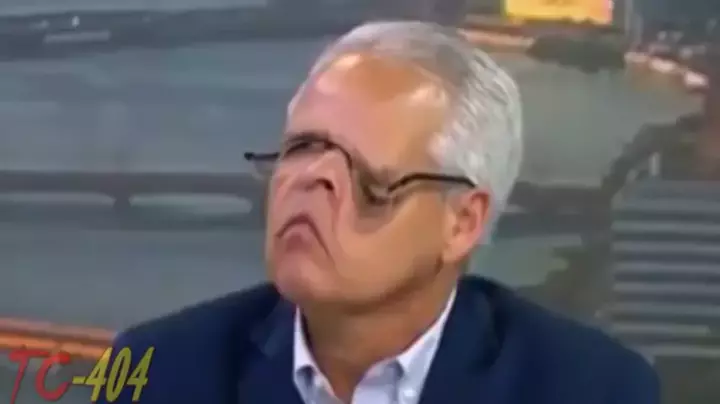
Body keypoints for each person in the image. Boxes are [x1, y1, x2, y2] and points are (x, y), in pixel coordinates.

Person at [97, 21, 659, 404]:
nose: (312, 178)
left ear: (462, 222)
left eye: (368, 176)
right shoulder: (155, 373)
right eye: (302, 147)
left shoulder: (589, 389)